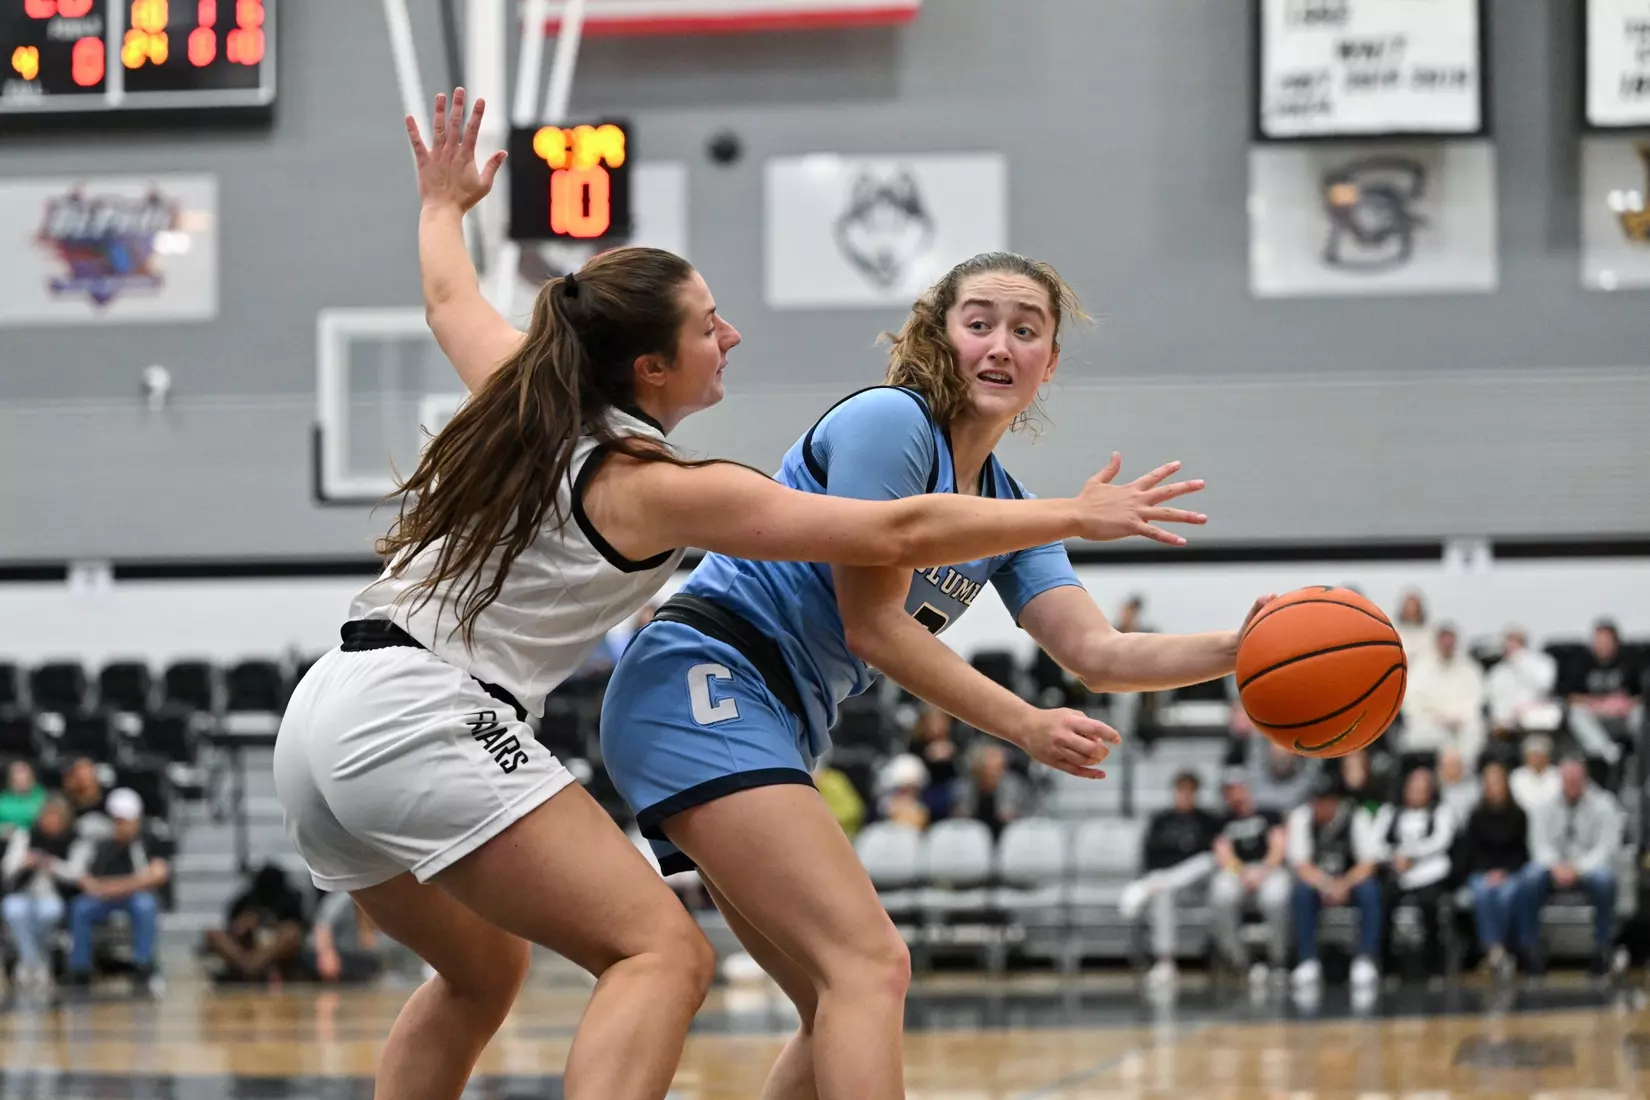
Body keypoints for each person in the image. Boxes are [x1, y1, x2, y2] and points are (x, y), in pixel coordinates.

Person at [273, 89, 1208, 1100]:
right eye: (709, 325)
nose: (733, 335)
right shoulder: (662, 483)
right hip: (456, 711)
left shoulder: (530, 395)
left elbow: (453, 302)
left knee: (485, 969)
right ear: (653, 365)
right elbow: (890, 541)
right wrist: (1074, 517)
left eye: (1026, 328)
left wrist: (441, 206)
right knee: (665, 955)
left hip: (327, 709)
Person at [600, 249, 1271, 1100]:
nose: (1000, 344)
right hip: (704, 673)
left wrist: (1243, 649)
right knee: (872, 964)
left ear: (1048, 362)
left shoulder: (1008, 505)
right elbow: (872, 626)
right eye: (979, 322)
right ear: (939, 337)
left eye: (1025, 330)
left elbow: (1098, 655)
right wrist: (1025, 724)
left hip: (766, 712)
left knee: (833, 997)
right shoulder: (892, 423)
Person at [1514, 757, 1623, 977]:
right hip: (1553, 866)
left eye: (1576, 779)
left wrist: (1578, 868)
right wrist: (1556, 866)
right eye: (1568, 779)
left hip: (1589, 867)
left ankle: (1602, 948)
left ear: (1585, 778)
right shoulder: (1543, 804)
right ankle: (1530, 949)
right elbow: (1538, 844)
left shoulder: (1605, 804)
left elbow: (1607, 847)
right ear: (1560, 780)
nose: (1572, 784)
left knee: (1605, 882)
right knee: (1528, 879)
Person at [1119, 770, 1224, 988]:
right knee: (1162, 892)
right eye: (1181, 790)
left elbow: (1218, 856)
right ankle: (1165, 962)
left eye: (1189, 791)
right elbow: (1149, 857)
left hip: (1198, 886)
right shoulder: (1161, 820)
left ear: (1196, 793)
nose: (1184, 795)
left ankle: (1146, 888)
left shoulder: (1209, 821)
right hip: (1166, 884)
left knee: (1207, 860)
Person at [1288, 771, 1383, 992]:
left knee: (1371, 890)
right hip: (1318, 882)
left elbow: (1368, 864)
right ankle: (1307, 960)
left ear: (1336, 801)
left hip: (1350, 881)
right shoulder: (1301, 817)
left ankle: (1365, 958)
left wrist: (1344, 884)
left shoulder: (1357, 816)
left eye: (1324, 801)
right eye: (1316, 801)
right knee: (1301, 892)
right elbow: (1302, 866)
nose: (1319, 807)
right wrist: (1327, 885)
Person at [1208, 772, 1290, 985]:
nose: (1235, 795)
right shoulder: (1223, 820)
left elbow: (1278, 847)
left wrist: (1263, 870)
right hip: (1238, 870)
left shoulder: (1269, 814)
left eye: (1238, 788)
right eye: (1230, 791)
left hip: (1268, 867)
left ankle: (1278, 959)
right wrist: (1242, 872)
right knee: (1221, 894)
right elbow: (1223, 853)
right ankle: (1240, 961)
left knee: (1276, 897)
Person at [1, 794, 84, 988]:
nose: (51, 822)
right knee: (13, 910)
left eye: (57, 818)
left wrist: (50, 863)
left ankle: (37, 961)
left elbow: (75, 874)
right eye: (48, 816)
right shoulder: (25, 835)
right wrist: (25, 862)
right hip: (23, 891)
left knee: (48, 912)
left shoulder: (72, 840)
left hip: (54, 893)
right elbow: (6, 869)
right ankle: (32, 960)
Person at [1461, 760, 1529, 978]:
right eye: (1489, 783)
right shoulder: (1475, 815)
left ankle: (1504, 947)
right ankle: (1493, 949)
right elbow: (1472, 850)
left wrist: (1504, 872)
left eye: (1497, 782)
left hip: (1510, 871)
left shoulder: (1519, 815)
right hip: (1483, 871)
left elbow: (1521, 852)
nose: (1493, 787)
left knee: (1507, 895)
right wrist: (1488, 872)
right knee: (1482, 893)